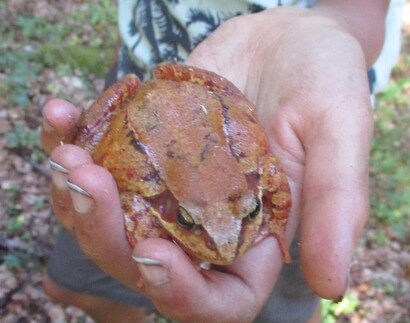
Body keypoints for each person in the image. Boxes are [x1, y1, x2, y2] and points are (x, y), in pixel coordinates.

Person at [40, 1, 404, 322]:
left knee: (287, 305)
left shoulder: (262, 170)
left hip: (266, 107)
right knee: (73, 279)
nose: (227, 246)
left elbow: (274, 172)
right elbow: (132, 201)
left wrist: (336, 23)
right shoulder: (149, 185)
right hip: (142, 107)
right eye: (188, 221)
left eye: (250, 211)